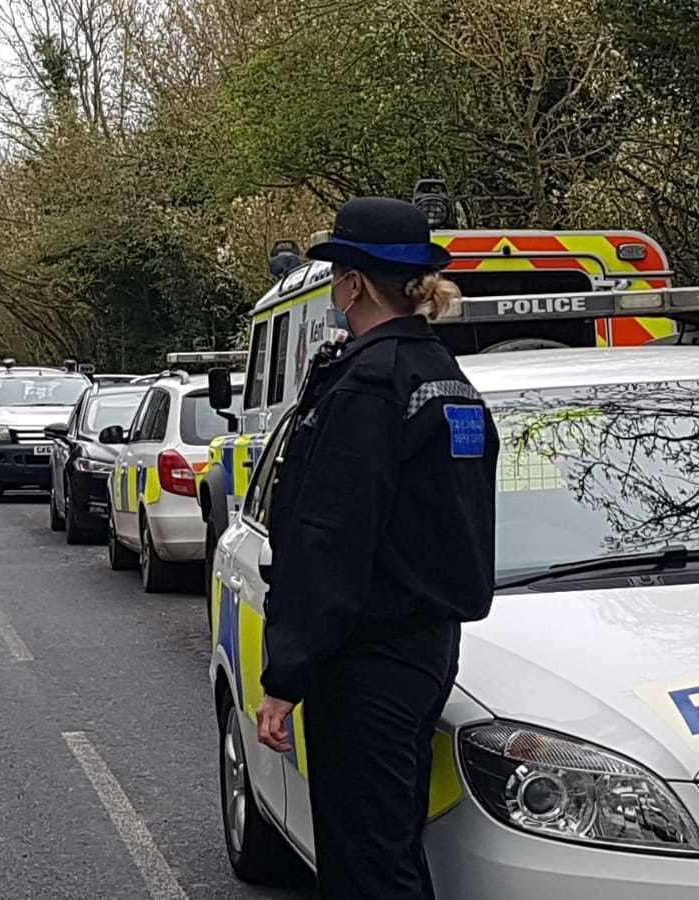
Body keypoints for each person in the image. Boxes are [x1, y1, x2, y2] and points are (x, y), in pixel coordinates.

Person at [254, 197, 498, 899]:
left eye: (336, 276)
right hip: (427, 650)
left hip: (366, 661)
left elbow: (329, 541)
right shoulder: (447, 380)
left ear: (356, 283)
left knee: (367, 864)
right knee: (390, 842)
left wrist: (285, 677)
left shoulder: (367, 385)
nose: (334, 290)